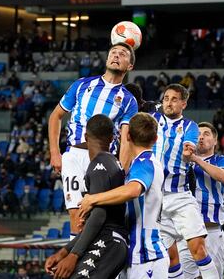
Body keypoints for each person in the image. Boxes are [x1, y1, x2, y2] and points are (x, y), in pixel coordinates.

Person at [48, 42, 138, 239]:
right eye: (113, 52)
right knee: (75, 212)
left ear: (129, 66)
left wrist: (120, 171)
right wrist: (55, 152)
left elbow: (126, 139)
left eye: (122, 54)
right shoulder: (82, 84)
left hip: (102, 160)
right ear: (107, 59)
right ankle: (75, 264)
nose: (116, 55)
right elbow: (55, 116)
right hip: (73, 155)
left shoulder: (129, 100)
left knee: (96, 213)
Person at [78, 112, 168, 278]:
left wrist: (93, 198)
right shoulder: (137, 166)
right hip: (134, 255)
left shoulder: (145, 162)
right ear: (155, 139)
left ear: (126, 136)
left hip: (147, 256)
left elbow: (133, 190)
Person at [44, 114, 128, 279]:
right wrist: (63, 252)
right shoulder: (111, 161)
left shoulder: (99, 165)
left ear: (85, 136)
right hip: (111, 241)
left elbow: (98, 216)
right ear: (112, 138)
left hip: (108, 241)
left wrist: (73, 255)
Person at [153, 84, 219, 278]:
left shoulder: (190, 126)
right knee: (169, 257)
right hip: (156, 198)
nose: (169, 102)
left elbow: (189, 148)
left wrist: (188, 151)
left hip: (180, 196)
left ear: (184, 103)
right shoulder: (152, 120)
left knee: (198, 248)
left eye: (174, 99)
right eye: (166, 98)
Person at [177, 122, 224, 278]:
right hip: (185, 231)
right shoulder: (181, 161)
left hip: (211, 231)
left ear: (215, 141)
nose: (201, 137)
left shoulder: (221, 160)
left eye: (206, 134)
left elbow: (223, 177)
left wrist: (195, 159)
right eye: (198, 134)